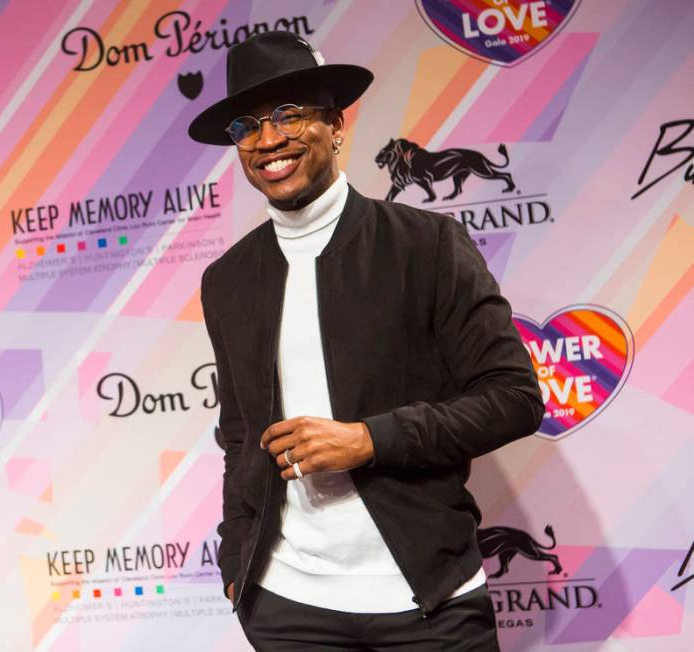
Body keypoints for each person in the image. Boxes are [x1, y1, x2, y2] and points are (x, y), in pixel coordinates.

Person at [189, 30, 543, 651]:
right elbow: (240, 433)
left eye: (288, 115)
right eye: (247, 125)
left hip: (427, 600)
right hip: (289, 607)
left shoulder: (425, 246)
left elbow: (514, 397)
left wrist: (367, 440)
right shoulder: (226, 280)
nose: (268, 140)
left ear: (335, 125)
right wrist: (237, 558)